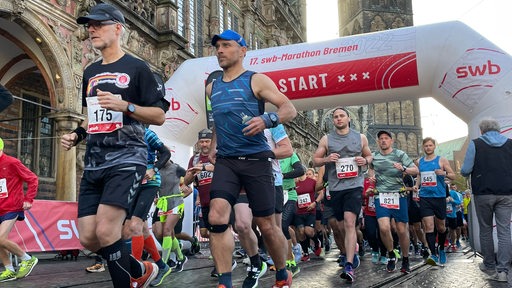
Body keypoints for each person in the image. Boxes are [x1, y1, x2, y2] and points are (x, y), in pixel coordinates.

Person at [61, 3, 167, 287]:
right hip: (95, 160)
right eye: (89, 25)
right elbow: (91, 119)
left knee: (108, 231)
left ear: (118, 28)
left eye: (98, 24)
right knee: (88, 237)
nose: (91, 29)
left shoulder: (138, 68)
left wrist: (126, 105)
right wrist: (77, 135)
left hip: (127, 157)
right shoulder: (90, 71)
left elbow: (158, 116)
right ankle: (140, 270)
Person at [206, 29, 297, 288]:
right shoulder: (213, 88)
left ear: (243, 50)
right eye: (217, 47)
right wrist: (214, 145)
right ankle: (225, 281)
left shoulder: (256, 80)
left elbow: (289, 108)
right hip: (226, 160)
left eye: (226, 45)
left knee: (267, 225)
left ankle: (281, 273)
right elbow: (218, 120)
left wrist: (267, 119)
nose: (220, 51)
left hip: (256, 159)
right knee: (217, 216)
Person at [312, 107, 372, 283]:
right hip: (336, 188)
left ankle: (349, 264)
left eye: (341, 116)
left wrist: (364, 161)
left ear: (348, 118)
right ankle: (350, 252)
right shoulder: (326, 139)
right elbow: (315, 160)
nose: (338, 119)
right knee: (338, 226)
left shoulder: (360, 137)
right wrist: (326, 160)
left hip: (354, 186)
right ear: (333, 120)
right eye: (335, 117)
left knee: (349, 222)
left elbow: (369, 156)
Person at [233, 123, 293, 288]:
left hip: (271, 179)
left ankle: (283, 270)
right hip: (243, 180)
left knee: (271, 228)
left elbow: (287, 150)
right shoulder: (234, 120)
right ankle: (256, 264)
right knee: (242, 225)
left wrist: (258, 154)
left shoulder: (271, 123)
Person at [460, 118, 512, 283]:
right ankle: (503, 271)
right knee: (504, 231)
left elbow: (465, 170)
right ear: (498, 130)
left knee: (486, 229)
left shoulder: (476, 144)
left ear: (482, 131)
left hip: (483, 193)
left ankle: (489, 264)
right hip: (506, 192)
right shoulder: (510, 143)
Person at [122, 128, 172, 287]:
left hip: (149, 183)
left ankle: (136, 275)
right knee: (139, 228)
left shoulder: (147, 133)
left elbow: (166, 153)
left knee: (134, 226)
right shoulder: (122, 133)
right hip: (133, 183)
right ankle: (162, 266)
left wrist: (153, 169)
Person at [368, 130, 418, 274]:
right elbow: (370, 169)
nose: (383, 141)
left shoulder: (400, 154)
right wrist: (372, 179)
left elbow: (415, 171)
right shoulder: (374, 156)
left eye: (386, 138)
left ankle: (406, 258)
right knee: (383, 228)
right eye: (381, 139)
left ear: (391, 141)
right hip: (381, 196)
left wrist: (404, 168)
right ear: (378, 142)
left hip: (398, 195)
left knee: (402, 230)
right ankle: (391, 254)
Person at [0, 138, 39, 282]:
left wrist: (29, 199)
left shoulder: (12, 162)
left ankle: (27, 259)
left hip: (12, 207)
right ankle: (9, 270)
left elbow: (32, 179)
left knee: (1, 238)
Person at [412, 137, 455, 266]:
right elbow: (419, 175)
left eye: (430, 145)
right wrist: (417, 185)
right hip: (425, 197)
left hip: (439, 197)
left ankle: (441, 248)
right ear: (423, 147)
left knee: (441, 227)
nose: (428, 148)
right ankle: (434, 254)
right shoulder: (420, 161)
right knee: (429, 227)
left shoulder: (441, 160)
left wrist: (444, 173)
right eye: (426, 146)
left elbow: (453, 175)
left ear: (434, 146)